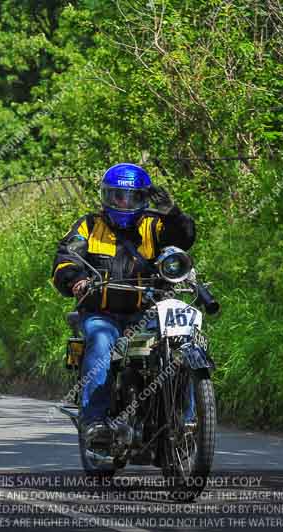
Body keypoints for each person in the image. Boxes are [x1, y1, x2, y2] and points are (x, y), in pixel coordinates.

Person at [52, 163, 196, 440]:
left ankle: (185, 421)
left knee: (178, 343)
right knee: (101, 340)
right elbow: (65, 258)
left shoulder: (154, 225)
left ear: (144, 198)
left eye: (132, 197)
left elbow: (184, 238)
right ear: (107, 197)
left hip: (148, 311)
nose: (124, 203)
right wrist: (76, 281)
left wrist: (173, 213)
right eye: (118, 196)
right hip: (102, 311)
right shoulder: (89, 226)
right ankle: (95, 420)